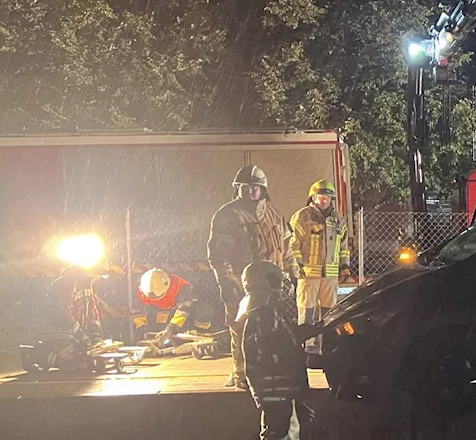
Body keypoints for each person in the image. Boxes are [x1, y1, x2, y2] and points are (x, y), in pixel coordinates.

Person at [207, 165, 295, 389]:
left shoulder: (275, 213)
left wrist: (292, 272)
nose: (251, 192)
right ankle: (242, 374)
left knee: (274, 326)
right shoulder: (227, 215)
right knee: (241, 328)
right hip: (241, 283)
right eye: (245, 187)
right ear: (237, 188)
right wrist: (226, 281)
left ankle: (272, 371)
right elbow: (218, 254)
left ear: (263, 189)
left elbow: (287, 246)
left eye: (256, 188)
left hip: (272, 283)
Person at [239, 260, 312, 440]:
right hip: (274, 387)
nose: (280, 286)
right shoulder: (262, 312)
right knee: (276, 433)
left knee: (291, 431)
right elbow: (278, 346)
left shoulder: (263, 310)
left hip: (280, 386)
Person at [290, 180, 346, 360]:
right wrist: (296, 266)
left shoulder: (338, 218)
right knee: (306, 315)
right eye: (321, 197)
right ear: (313, 198)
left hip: (330, 276)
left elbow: (343, 246)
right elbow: (293, 244)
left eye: (327, 198)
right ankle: (306, 353)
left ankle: (328, 349)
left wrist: (344, 266)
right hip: (308, 274)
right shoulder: (302, 217)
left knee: (329, 315)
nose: (324, 201)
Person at [136, 268, 200, 349]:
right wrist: (142, 330)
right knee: (158, 325)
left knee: (201, 312)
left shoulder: (180, 286)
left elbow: (183, 311)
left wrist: (170, 329)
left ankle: (198, 333)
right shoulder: (142, 293)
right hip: (162, 311)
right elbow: (137, 314)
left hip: (181, 313)